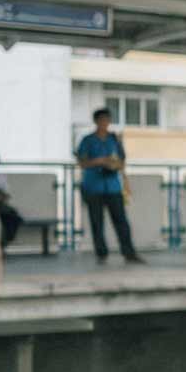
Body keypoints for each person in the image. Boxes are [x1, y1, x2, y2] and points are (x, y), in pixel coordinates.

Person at [75, 108, 145, 264]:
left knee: (121, 220)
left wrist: (114, 164)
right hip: (93, 186)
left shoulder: (114, 140)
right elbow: (82, 162)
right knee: (97, 222)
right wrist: (99, 161)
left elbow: (122, 161)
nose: (104, 123)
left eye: (107, 120)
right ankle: (101, 253)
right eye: (102, 120)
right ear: (96, 122)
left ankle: (129, 252)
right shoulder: (88, 140)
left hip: (113, 186)